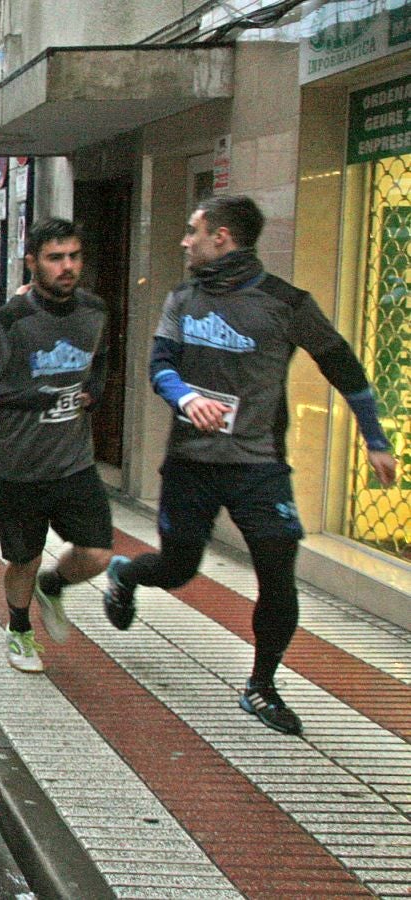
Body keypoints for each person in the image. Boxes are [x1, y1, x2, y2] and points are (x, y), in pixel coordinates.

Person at [103, 195, 398, 735]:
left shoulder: (286, 303)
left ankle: (262, 685)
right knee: (178, 569)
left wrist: (375, 439)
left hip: (259, 465)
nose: (185, 241)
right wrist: (188, 399)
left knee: (278, 572)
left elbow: (344, 367)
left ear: (222, 237)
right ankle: (125, 573)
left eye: (194, 231)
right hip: (191, 460)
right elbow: (161, 366)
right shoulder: (182, 297)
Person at [0, 220, 112, 673]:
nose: (67, 266)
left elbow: (101, 359)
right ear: (33, 262)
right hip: (19, 463)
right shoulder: (12, 320)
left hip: (74, 460)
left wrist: (96, 391)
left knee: (97, 553)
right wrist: (38, 398)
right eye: (55, 257)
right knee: (23, 559)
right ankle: (19, 629)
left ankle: (55, 585)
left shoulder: (95, 310)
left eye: (74, 256)